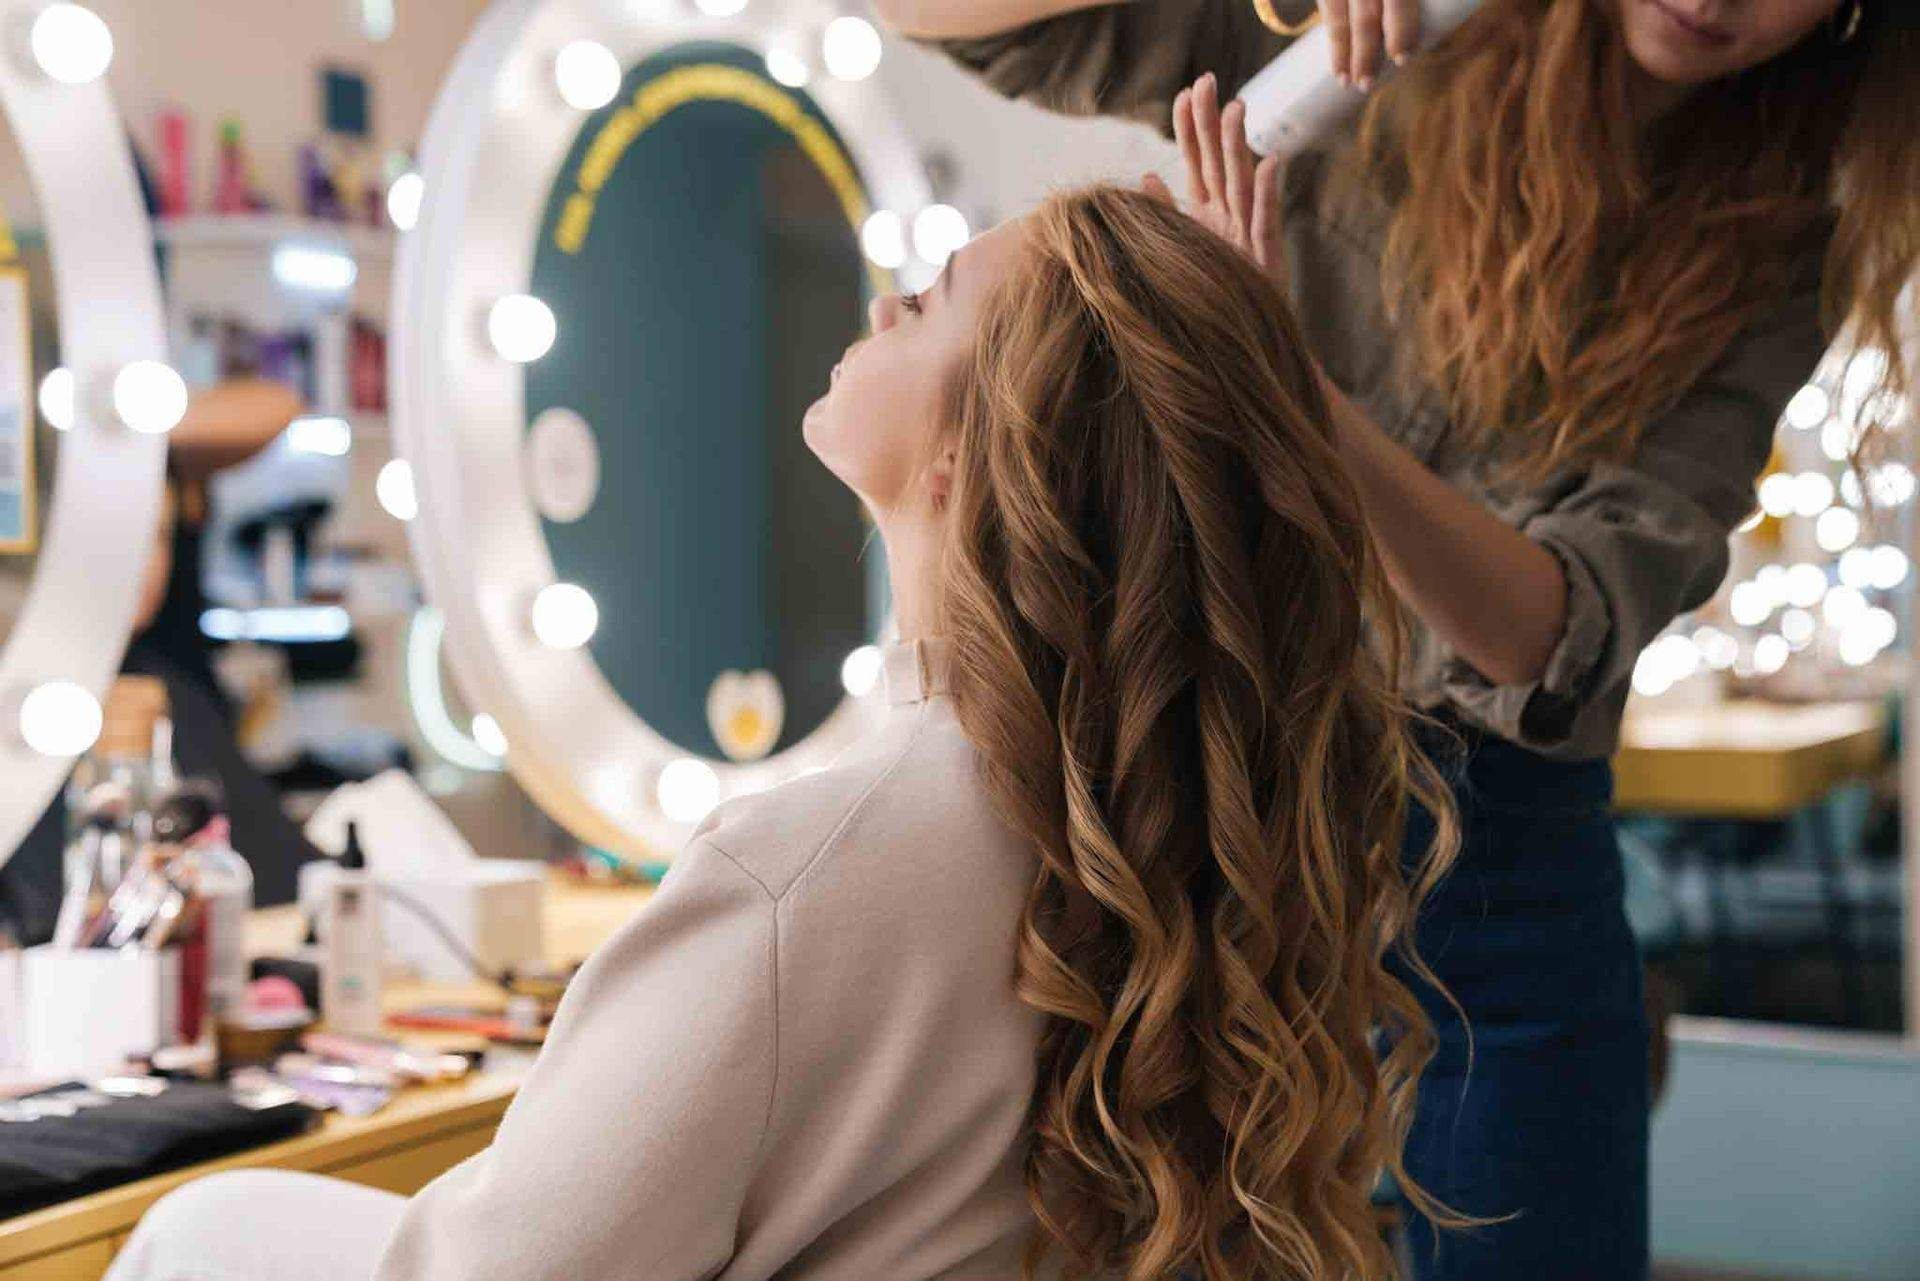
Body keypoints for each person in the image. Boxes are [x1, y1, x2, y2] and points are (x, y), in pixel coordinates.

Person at [112, 187, 1460, 1281]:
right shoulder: (1127, 812)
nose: (881, 300)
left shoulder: (805, 870)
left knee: (197, 1230)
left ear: (977, 456)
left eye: (927, 303)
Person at [871, 1, 1918, 1275]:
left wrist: (1290, 384)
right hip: (1216, 841)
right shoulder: (1376, 37)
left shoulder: (1786, 235)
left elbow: (1551, 631)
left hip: (1502, 886)